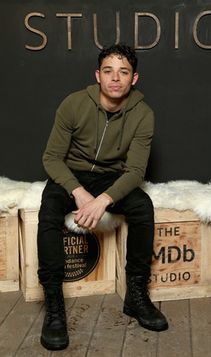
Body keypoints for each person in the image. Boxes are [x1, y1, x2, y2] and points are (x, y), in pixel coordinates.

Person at [37, 43, 168, 351]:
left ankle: (136, 295)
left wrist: (103, 199)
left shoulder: (143, 114)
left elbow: (135, 171)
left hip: (113, 176)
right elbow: (52, 158)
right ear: (98, 75)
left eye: (123, 72)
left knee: (142, 205)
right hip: (73, 174)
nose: (115, 78)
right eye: (108, 71)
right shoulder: (73, 104)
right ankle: (54, 304)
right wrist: (79, 192)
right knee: (49, 208)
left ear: (134, 78)